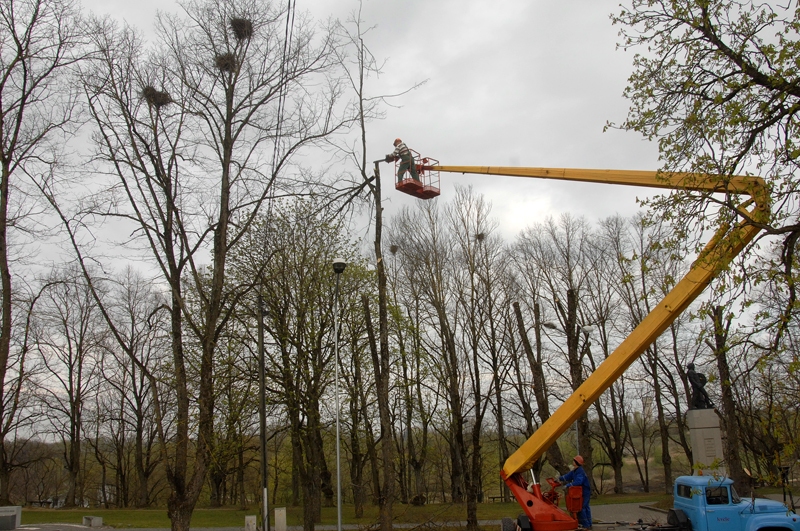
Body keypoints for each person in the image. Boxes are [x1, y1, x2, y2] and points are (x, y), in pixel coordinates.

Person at [558, 455, 592, 530]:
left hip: (584, 491)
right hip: (582, 491)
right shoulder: (575, 471)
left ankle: (586, 525)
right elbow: (568, 476)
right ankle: (589, 524)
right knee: (585, 507)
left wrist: (568, 485)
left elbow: (578, 482)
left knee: (582, 507)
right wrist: (559, 478)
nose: (573, 461)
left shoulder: (580, 472)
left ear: (576, 463)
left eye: (574, 460)